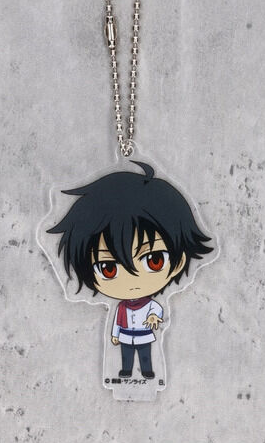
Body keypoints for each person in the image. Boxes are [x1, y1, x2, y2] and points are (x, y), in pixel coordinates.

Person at [48, 161, 213, 378]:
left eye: (153, 261)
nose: (133, 278)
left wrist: (154, 318)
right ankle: (126, 371)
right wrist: (115, 334)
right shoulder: (121, 308)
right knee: (126, 356)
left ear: (179, 262)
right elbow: (117, 321)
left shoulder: (151, 304)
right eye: (108, 268)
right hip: (125, 336)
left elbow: (156, 312)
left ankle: (147, 372)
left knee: (145, 355)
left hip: (145, 335)